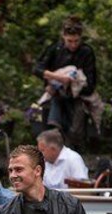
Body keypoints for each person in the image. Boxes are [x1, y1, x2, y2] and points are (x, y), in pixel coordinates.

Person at [33, 15, 98, 150]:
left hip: (76, 98)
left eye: (76, 41)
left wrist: (72, 86)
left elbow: (90, 84)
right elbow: (37, 69)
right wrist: (57, 78)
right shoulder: (55, 49)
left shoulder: (86, 51)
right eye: (69, 41)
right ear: (63, 37)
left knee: (74, 136)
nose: (73, 45)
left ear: (81, 38)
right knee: (51, 136)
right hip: (54, 95)